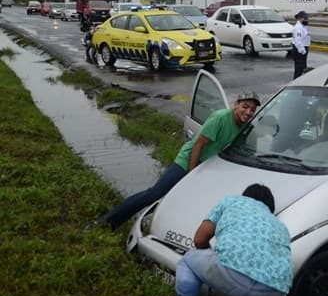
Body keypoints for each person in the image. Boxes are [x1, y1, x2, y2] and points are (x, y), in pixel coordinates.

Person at [92, 91, 261, 229]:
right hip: (187, 162)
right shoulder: (220, 118)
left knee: (189, 202)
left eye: (252, 110)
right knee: (154, 194)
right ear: (236, 105)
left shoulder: (245, 126)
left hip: (207, 167)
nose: (248, 112)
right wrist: (192, 172)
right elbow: (198, 145)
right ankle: (106, 223)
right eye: (245, 106)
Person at [166, 184, 293, 296]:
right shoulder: (280, 226)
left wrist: (211, 266)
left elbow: (199, 239)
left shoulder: (232, 201)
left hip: (230, 266)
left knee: (188, 260)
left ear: (245, 196)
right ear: (270, 208)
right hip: (276, 286)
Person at [291, 10, 310, 78]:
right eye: (305, 18)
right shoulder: (298, 28)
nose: (307, 20)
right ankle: (295, 84)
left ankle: (300, 83)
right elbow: (297, 41)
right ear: (300, 18)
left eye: (307, 18)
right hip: (300, 50)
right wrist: (303, 51)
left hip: (302, 49)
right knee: (299, 70)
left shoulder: (302, 26)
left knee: (302, 69)